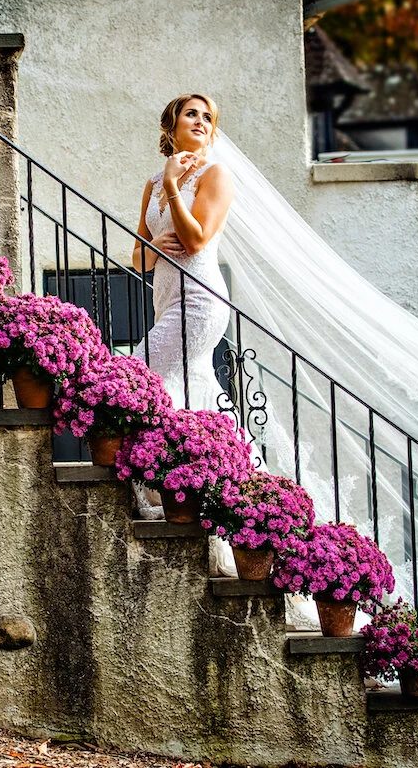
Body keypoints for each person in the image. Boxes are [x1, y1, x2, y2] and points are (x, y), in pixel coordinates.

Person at [131, 93, 239, 576]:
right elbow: (138, 260)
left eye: (207, 117)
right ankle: (219, 496)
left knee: (138, 376)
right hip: (166, 298)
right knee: (185, 395)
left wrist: (176, 186)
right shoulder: (152, 182)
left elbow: (196, 240)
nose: (199, 121)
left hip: (200, 299)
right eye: (190, 113)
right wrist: (154, 243)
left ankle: (161, 485)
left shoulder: (213, 175)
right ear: (171, 124)